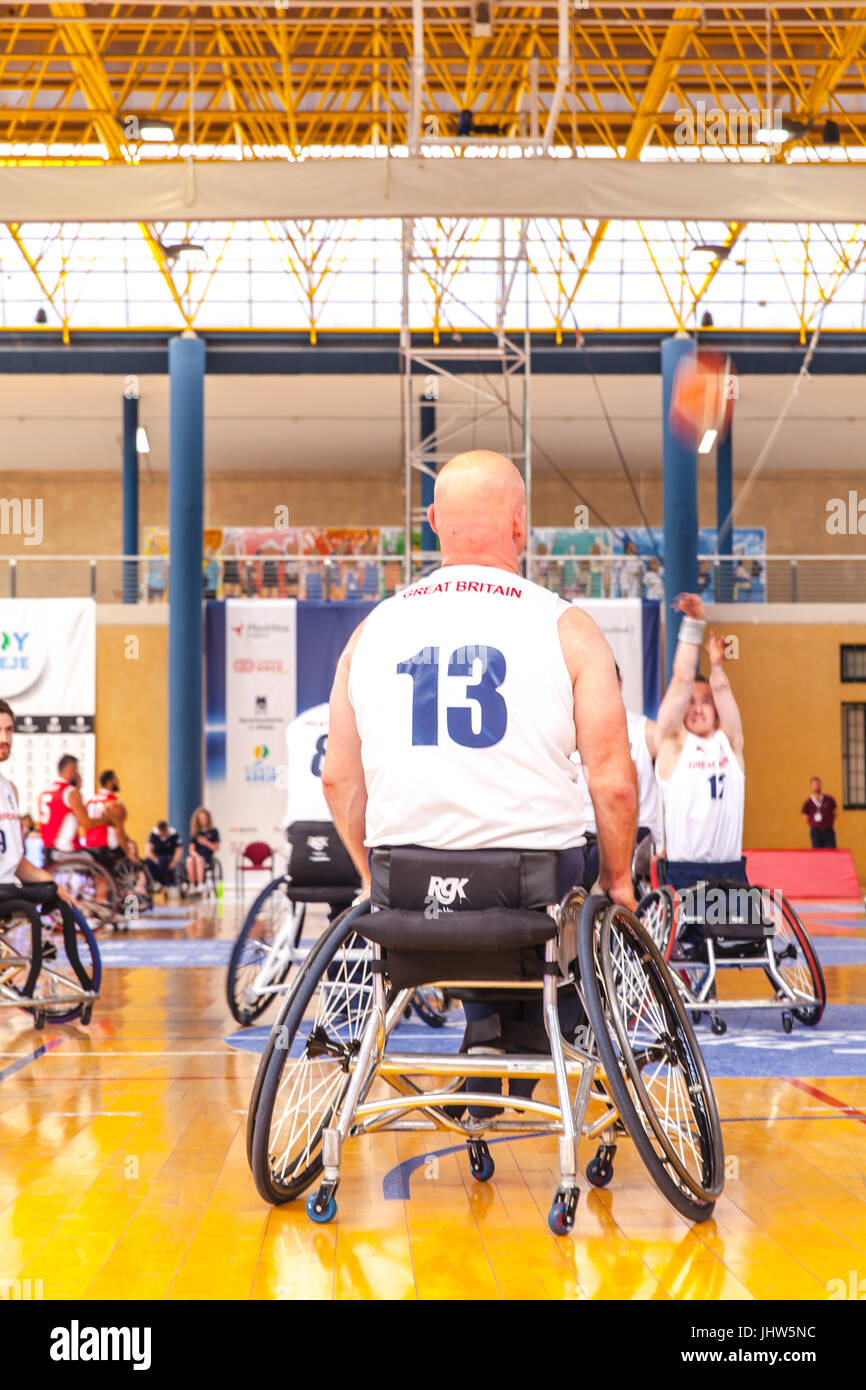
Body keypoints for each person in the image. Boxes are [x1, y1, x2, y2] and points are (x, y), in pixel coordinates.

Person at [323, 449, 637, 1120]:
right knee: (569, 887)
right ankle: (548, 1032)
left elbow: (337, 779)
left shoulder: (371, 632)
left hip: (403, 887)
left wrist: (368, 878)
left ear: (433, 521)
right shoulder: (567, 626)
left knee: (474, 878)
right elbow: (612, 783)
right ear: (521, 526)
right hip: (527, 888)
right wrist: (621, 883)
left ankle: (492, 1032)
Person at [654, 592, 746, 893]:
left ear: (717, 709)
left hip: (731, 872)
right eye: (690, 703)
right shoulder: (673, 744)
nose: (696, 708)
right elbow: (681, 679)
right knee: (694, 942)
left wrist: (718, 666)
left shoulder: (730, 743)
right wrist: (694, 626)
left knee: (748, 940)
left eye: (705, 701)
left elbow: (721, 687)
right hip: (685, 876)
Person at [575, 661, 660, 887]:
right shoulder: (569, 731)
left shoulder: (644, 731)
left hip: (630, 837)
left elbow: (677, 741)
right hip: (578, 837)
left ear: (619, 684)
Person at [281, 702, 359, 913]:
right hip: (343, 833)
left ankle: (339, 922)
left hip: (299, 835)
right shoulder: (359, 715)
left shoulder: (299, 724)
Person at [0, 700, 75, 904]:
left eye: (9, 730)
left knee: (55, 896)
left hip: (7, 888)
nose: (4, 738)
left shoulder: (9, 789)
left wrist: (53, 884)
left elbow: (14, 862)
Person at [39, 755, 119, 867]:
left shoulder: (45, 791)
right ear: (71, 770)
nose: (78, 774)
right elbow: (86, 823)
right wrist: (107, 817)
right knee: (104, 861)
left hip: (47, 851)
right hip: (65, 851)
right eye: (77, 770)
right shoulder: (70, 792)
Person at [186, 807, 220, 890]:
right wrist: (197, 856)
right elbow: (191, 849)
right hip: (197, 856)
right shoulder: (196, 833)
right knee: (189, 860)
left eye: (204, 818)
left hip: (207, 857)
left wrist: (206, 842)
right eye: (200, 818)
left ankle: (201, 884)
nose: (203, 820)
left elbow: (216, 847)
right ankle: (192, 884)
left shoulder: (213, 831)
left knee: (199, 860)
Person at [145, 820, 183, 890]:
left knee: (164, 862)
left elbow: (179, 850)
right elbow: (148, 851)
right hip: (157, 858)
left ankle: (168, 883)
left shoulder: (173, 834)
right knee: (148, 862)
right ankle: (153, 882)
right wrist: (156, 860)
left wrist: (174, 862)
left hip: (169, 857)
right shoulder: (154, 834)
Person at [802, 777, 837, 849]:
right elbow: (805, 818)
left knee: (831, 852)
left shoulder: (829, 799)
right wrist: (815, 824)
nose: (816, 786)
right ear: (811, 786)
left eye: (818, 784)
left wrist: (827, 822)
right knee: (817, 853)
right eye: (814, 784)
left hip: (828, 830)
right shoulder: (808, 802)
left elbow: (835, 813)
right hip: (816, 832)